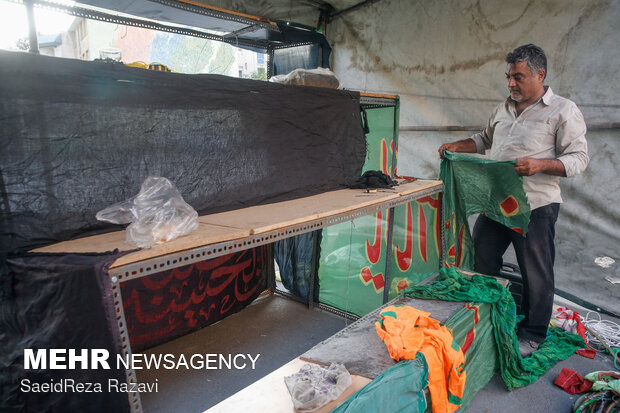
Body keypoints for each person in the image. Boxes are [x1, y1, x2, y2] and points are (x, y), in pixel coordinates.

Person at [438, 44, 589, 357]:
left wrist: (539, 165)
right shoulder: (503, 109)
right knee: (480, 260)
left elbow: (579, 159)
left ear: (540, 75)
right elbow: (485, 139)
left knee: (535, 273)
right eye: (508, 77)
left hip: (535, 207)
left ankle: (533, 333)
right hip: (496, 204)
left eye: (518, 77)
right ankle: (484, 316)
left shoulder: (563, 110)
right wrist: (460, 145)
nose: (510, 83)